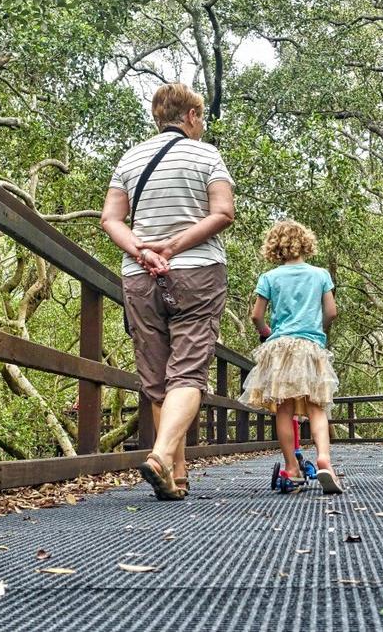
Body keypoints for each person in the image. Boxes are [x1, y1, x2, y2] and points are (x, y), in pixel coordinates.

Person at [100, 83, 235, 500]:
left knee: (157, 376)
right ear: (191, 116)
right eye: (202, 119)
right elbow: (224, 212)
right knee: (188, 372)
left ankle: (177, 477)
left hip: (140, 278)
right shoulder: (206, 154)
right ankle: (161, 457)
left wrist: (143, 251)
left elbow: (111, 219)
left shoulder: (129, 158)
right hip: (196, 272)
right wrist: (172, 248)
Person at [239, 220, 342, 494]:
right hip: (310, 346)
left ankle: (292, 469)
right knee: (317, 407)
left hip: (280, 348)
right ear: (306, 243)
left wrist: (265, 331)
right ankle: (324, 460)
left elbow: (256, 316)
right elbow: (331, 311)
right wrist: (317, 332)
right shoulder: (321, 274)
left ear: (275, 247)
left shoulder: (269, 278)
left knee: (284, 410)